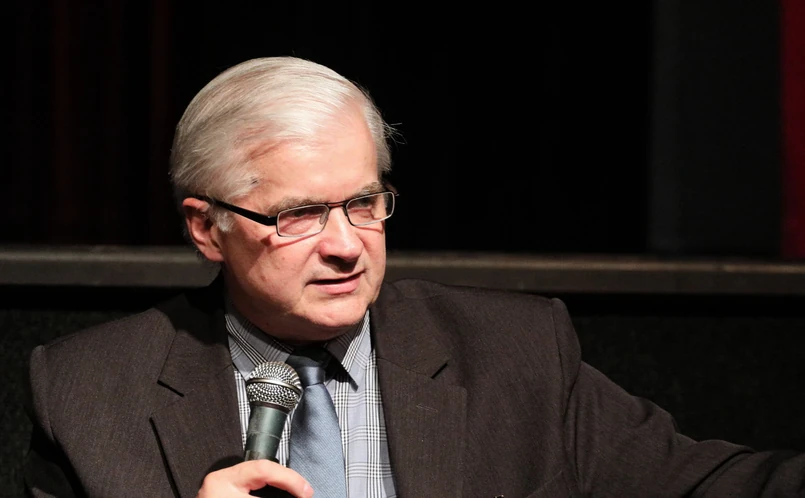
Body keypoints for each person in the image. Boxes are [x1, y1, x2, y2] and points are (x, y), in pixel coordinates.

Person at [23, 56, 805, 498]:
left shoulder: (514, 354)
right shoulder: (91, 391)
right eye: (298, 215)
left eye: (363, 203)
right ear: (206, 228)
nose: (347, 246)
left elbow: (716, 485)